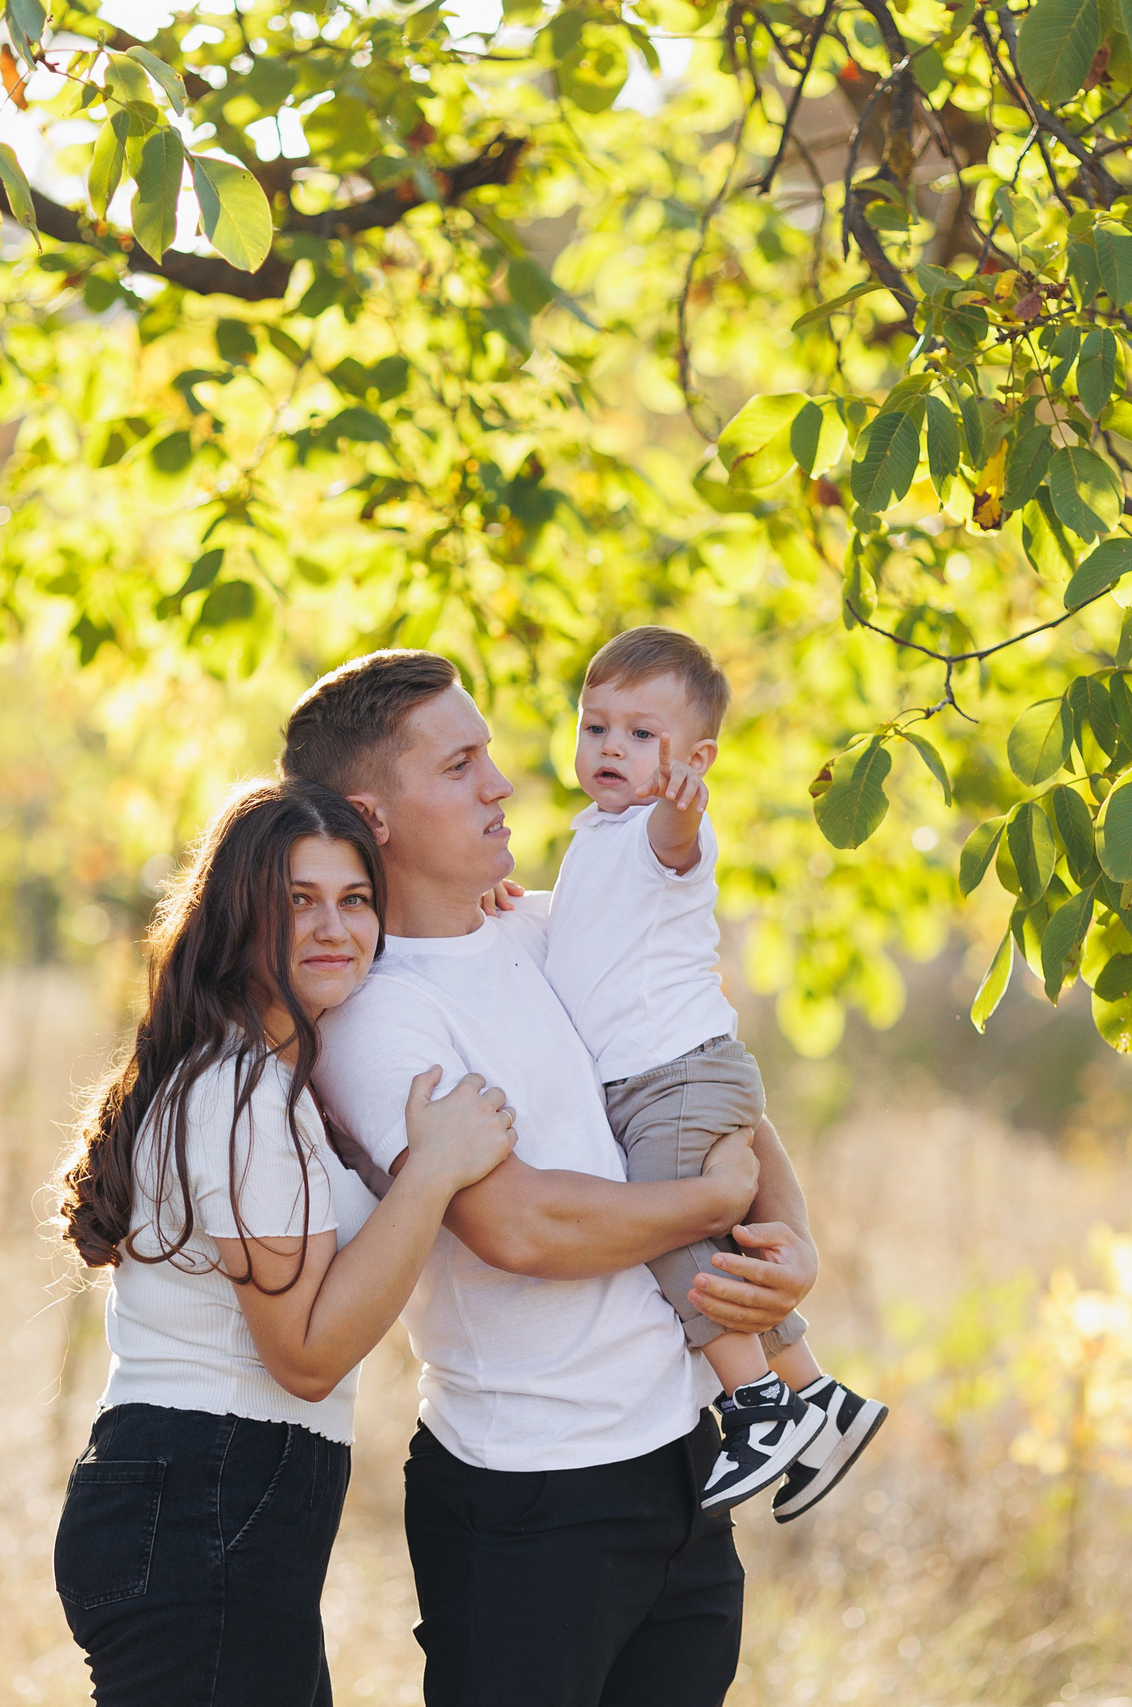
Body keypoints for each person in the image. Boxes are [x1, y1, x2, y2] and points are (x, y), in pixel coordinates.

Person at [286, 650, 820, 1707]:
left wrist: (789, 1240)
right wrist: (714, 1206)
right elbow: (520, 1227)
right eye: (460, 765)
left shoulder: (544, 924)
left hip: (682, 1457)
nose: (502, 783)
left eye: (489, 754)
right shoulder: (376, 1015)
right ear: (372, 814)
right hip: (529, 1499)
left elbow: (706, 1074)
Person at [50, 777, 519, 1706]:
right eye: (296, 902)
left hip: (212, 1505)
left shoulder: (259, 1080)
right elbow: (303, 1355)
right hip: (203, 1500)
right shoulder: (239, 1095)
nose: (332, 928)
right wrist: (431, 1171)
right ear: (237, 918)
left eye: (355, 900)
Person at [544, 625, 888, 1520]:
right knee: (719, 1245)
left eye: (641, 734)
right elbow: (592, 928)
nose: (611, 747)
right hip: (679, 1077)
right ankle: (816, 1394)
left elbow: (673, 847)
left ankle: (754, 1405)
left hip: (677, 1076)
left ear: (693, 759)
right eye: (595, 726)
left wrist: (683, 808)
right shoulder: (594, 835)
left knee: (661, 1228)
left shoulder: (663, 832)